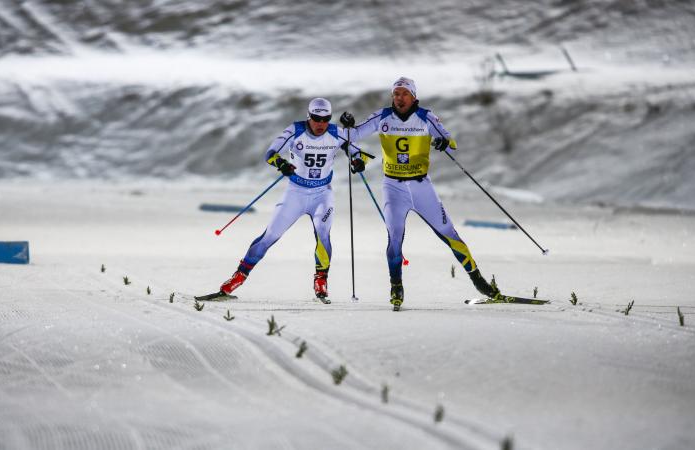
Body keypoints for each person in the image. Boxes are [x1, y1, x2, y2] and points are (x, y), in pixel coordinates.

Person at [340, 77, 499, 311]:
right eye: (396, 94)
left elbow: (451, 140)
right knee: (394, 238)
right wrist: (347, 125)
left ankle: (478, 280)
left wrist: (443, 142)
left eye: (404, 94)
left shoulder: (426, 117)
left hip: (421, 186)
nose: (399, 98)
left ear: (413, 96)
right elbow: (350, 137)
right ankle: (396, 286)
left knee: (449, 233)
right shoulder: (382, 116)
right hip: (393, 187)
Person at [210, 98, 365, 303]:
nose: (321, 124)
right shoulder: (295, 130)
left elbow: (355, 151)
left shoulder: (336, 132)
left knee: (323, 234)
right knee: (270, 236)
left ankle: (321, 281)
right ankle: (237, 278)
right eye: (317, 119)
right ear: (309, 117)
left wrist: (358, 160)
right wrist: (281, 163)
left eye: (326, 119)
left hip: (322, 194)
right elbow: (270, 153)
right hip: (296, 193)